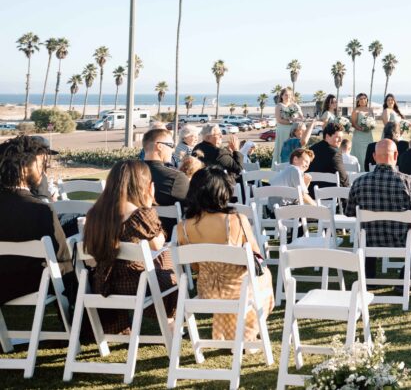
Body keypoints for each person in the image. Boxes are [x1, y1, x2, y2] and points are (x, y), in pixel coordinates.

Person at [177, 167, 273, 341]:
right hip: (237, 290)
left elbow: (195, 266)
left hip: (206, 290)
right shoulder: (236, 220)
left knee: (242, 282)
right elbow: (256, 256)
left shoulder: (182, 228)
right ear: (223, 192)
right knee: (264, 275)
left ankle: (229, 333)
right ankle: (245, 334)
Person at [84, 159, 176, 334]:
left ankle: (120, 326)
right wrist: (149, 206)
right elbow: (158, 244)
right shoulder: (140, 215)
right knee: (167, 254)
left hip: (103, 284)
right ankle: (170, 320)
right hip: (136, 285)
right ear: (145, 186)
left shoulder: (94, 213)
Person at [0, 135, 76, 305]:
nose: (44, 170)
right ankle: (83, 326)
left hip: (3, 284)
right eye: (41, 165)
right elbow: (62, 257)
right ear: (25, 168)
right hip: (34, 283)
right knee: (81, 267)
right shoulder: (40, 209)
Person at [346, 139, 411, 283]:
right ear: (396, 155)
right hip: (402, 239)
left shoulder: (359, 182)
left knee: (367, 230)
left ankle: (369, 279)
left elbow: (350, 212)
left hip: (369, 239)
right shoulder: (408, 182)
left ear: (374, 156)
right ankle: (405, 279)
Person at [141, 127, 191, 236]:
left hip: (132, 239)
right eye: (171, 146)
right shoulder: (176, 178)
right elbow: (191, 211)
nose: (173, 150)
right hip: (167, 240)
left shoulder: (127, 174)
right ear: (159, 146)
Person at [308, 122, 350, 190]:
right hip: (331, 195)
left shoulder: (312, 149)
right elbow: (343, 178)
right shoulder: (334, 153)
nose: (340, 140)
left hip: (312, 193)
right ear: (327, 136)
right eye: (337, 137)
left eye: (341, 137)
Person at [273, 87, 303, 164]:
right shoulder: (279, 106)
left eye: (289, 95)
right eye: (286, 95)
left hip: (293, 130)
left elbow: (301, 117)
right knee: (283, 148)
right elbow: (279, 120)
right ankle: (280, 165)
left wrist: (298, 115)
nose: (288, 97)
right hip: (282, 130)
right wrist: (291, 121)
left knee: (293, 148)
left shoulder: (295, 106)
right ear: (282, 96)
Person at [350, 93, 375, 168]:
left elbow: (372, 121)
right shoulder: (356, 111)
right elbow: (353, 123)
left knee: (369, 153)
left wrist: (371, 126)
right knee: (361, 155)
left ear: (367, 100)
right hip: (359, 136)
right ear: (358, 100)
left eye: (364, 98)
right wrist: (361, 129)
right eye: (361, 99)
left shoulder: (370, 110)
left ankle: (368, 170)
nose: (363, 100)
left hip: (368, 136)